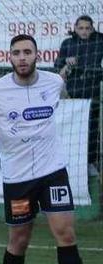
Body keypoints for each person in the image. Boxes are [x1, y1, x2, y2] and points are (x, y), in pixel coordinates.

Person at [0, 34, 103, 264]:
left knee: (66, 233)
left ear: (36, 55)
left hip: (52, 171)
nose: (22, 57)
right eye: (16, 53)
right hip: (17, 178)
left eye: (27, 52)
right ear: (10, 57)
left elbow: (61, 96)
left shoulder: (53, 82)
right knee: (19, 239)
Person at [54, 15, 103, 176]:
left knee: (94, 129)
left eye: (87, 28)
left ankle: (91, 163)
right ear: (75, 28)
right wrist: (67, 64)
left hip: (95, 92)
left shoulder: (99, 41)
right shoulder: (68, 44)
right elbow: (59, 71)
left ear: (93, 28)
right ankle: (74, 163)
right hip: (73, 95)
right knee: (75, 129)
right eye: (80, 28)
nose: (84, 31)